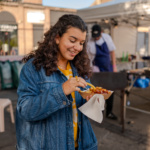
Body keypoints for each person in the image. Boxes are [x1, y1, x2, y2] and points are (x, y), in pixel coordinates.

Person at [16, 14, 98, 150]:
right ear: (57, 38)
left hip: (83, 145)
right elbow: (25, 111)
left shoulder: (80, 68)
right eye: (73, 40)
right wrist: (61, 91)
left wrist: (92, 101)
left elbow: (83, 110)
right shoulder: (33, 68)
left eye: (81, 43)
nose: (78, 47)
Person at [87, 24, 117, 120]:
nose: (96, 38)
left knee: (110, 91)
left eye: (98, 36)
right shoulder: (90, 42)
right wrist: (91, 69)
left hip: (108, 69)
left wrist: (114, 67)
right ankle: (99, 112)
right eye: (95, 36)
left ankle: (109, 112)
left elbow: (112, 52)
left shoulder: (107, 38)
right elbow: (89, 59)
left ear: (101, 33)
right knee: (98, 92)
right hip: (97, 70)